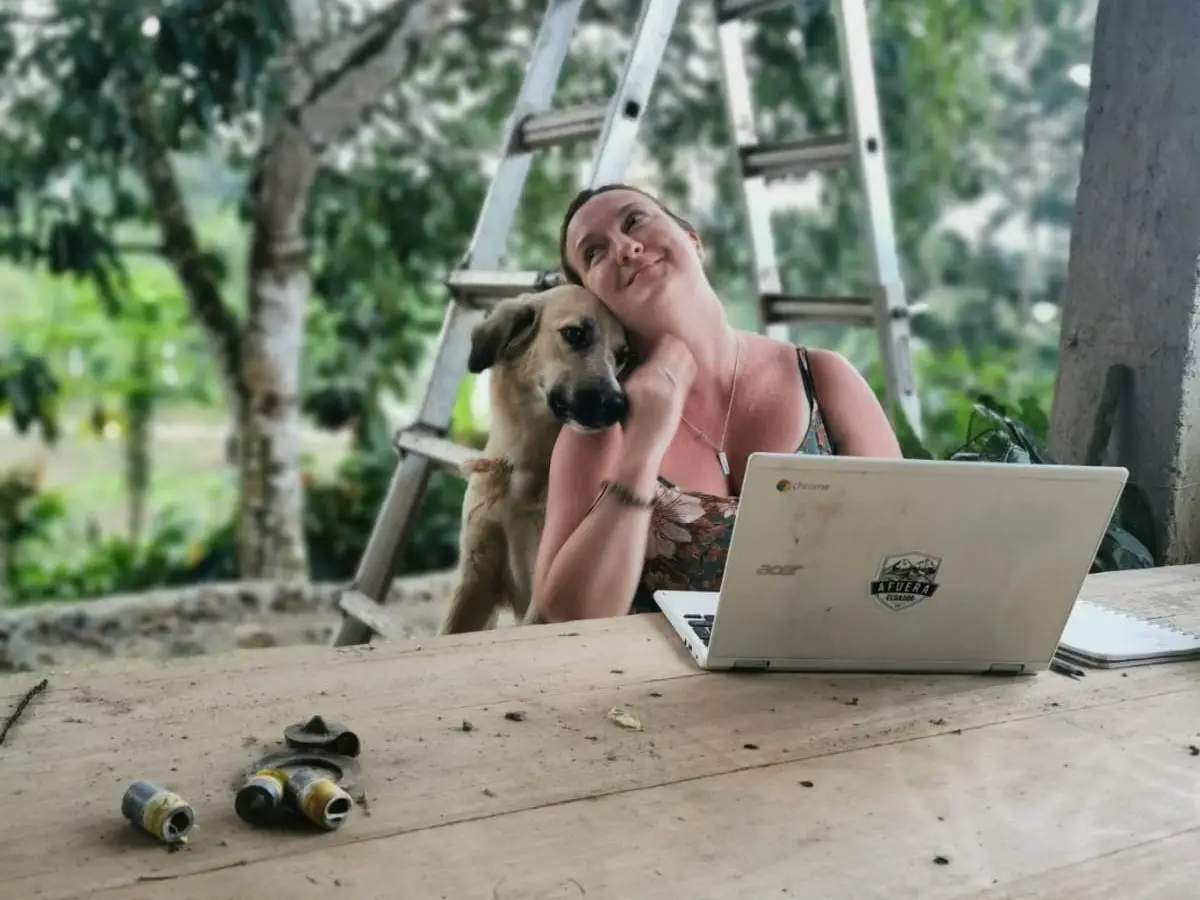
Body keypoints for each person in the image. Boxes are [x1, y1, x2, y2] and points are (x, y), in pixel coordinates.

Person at [530, 183, 903, 623]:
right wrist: (641, 452)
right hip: (665, 687)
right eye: (593, 253)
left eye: (635, 221)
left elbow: (905, 545)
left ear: (693, 240)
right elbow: (570, 618)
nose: (625, 248)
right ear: (593, 295)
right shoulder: (599, 429)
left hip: (834, 667)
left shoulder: (823, 379)